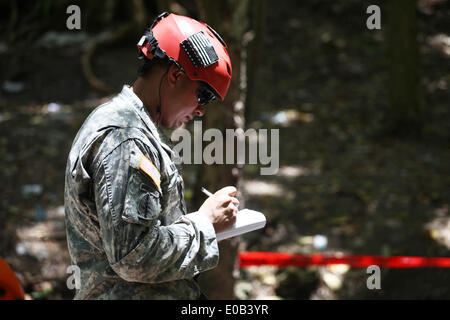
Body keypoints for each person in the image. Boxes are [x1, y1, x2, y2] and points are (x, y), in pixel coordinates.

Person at [64, 12, 238, 299]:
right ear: (175, 75)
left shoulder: (133, 129)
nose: (201, 111)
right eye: (203, 95)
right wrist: (204, 224)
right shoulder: (126, 137)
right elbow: (134, 257)